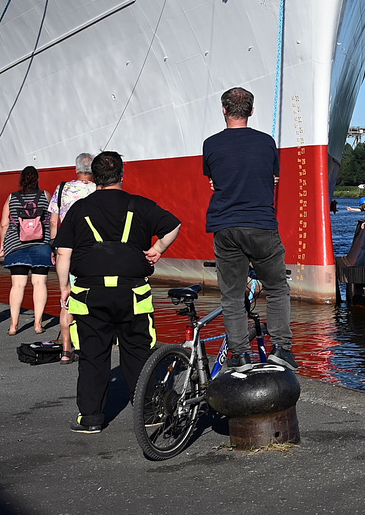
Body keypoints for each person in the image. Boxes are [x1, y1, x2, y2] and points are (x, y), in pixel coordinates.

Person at [53, 150, 180, 433]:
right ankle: (149, 413)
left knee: (92, 355)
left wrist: (64, 288)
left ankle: (91, 419)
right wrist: (157, 249)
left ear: (94, 178)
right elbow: (173, 225)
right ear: (122, 175)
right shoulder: (140, 206)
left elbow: (63, 253)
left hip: (89, 294)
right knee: (138, 353)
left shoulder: (79, 209)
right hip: (133, 293)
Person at [202, 86, 293, 367]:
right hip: (261, 224)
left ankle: (240, 355)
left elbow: (214, 180)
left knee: (232, 294)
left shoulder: (211, 144)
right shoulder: (267, 142)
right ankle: (282, 349)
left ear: (224, 110)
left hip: (226, 226)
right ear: (252, 111)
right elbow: (272, 176)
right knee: (277, 288)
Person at [50, 155, 96, 361]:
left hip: (66, 251)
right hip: (92, 251)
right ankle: (89, 344)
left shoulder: (61, 189)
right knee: (92, 297)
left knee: (66, 300)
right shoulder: (97, 190)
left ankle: (66, 350)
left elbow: (53, 222)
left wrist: (54, 247)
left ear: (75, 168)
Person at [0, 166, 52, 336]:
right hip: (41, 245)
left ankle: (14, 326)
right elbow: (51, 221)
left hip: (16, 245)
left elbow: (4, 224)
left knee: (18, 285)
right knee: (39, 284)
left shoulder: (12, 198)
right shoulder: (45, 196)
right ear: (37, 179)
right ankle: (38, 324)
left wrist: (2, 245)